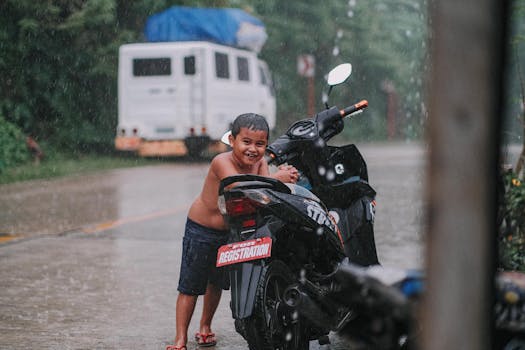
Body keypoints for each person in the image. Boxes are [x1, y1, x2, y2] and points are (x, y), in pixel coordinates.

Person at [167, 113, 298, 350]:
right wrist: (278, 178)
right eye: (246, 142)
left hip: (231, 233)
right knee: (190, 285)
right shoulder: (221, 162)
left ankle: (205, 327)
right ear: (232, 140)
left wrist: (281, 181)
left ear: (266, 145)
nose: (252, 149)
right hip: (202, 229)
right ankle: (179, 340)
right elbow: (242, 187)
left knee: (216, 283)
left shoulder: (261, 164)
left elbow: (264, 197)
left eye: (260, 144)